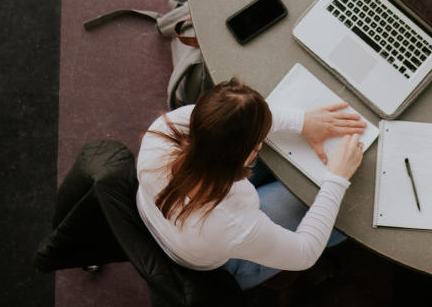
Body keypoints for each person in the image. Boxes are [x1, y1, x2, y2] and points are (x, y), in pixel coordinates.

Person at [136, 77, 367, 290]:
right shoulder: (231, 224)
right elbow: (305, 253)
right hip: (219, 263)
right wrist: (337, 177)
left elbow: (232, 119)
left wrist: (302, 121)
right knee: (343, 215)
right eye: (258, 146)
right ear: (246, 153)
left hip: (166, 220)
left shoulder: (163, 132)